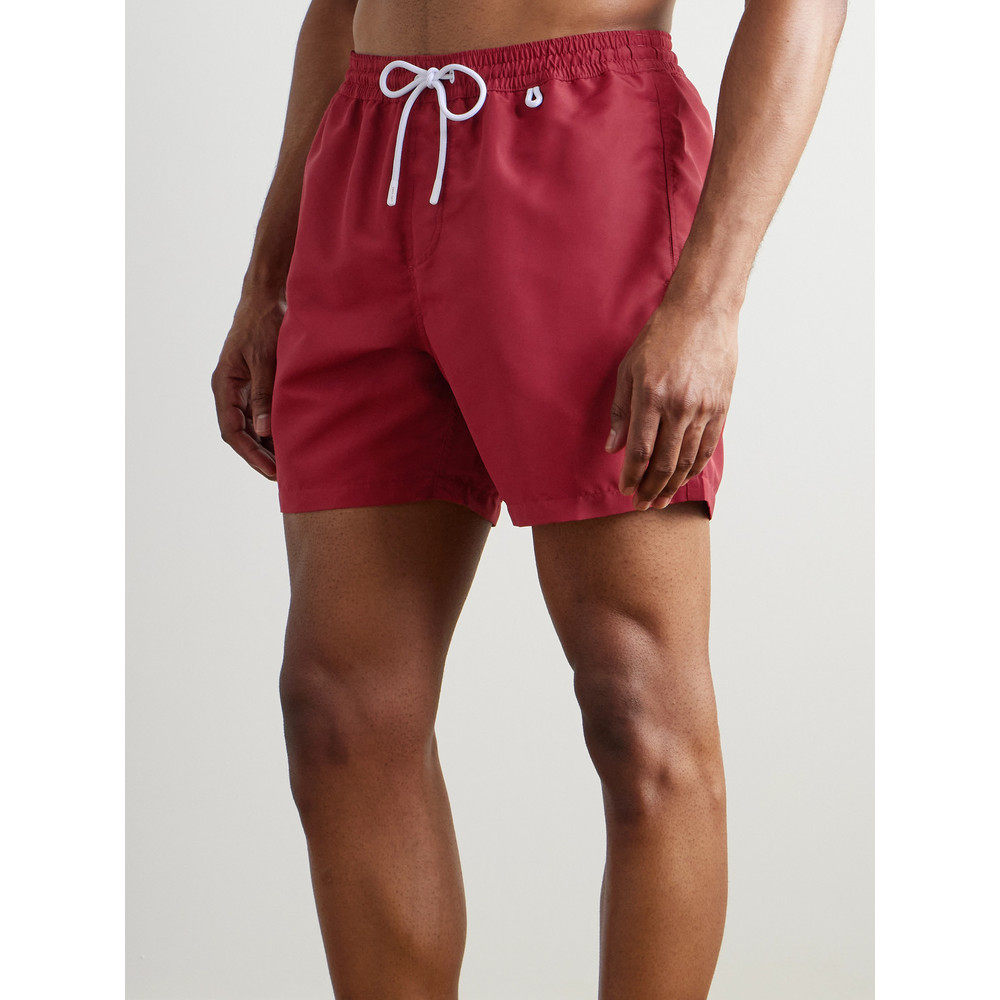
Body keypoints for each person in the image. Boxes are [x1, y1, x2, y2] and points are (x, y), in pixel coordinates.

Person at [211, 0, 845, 996]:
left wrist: (709, 301)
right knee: (337, 709)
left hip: (587, 151)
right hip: (368, 154)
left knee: (634, 703)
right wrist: (269, 273)